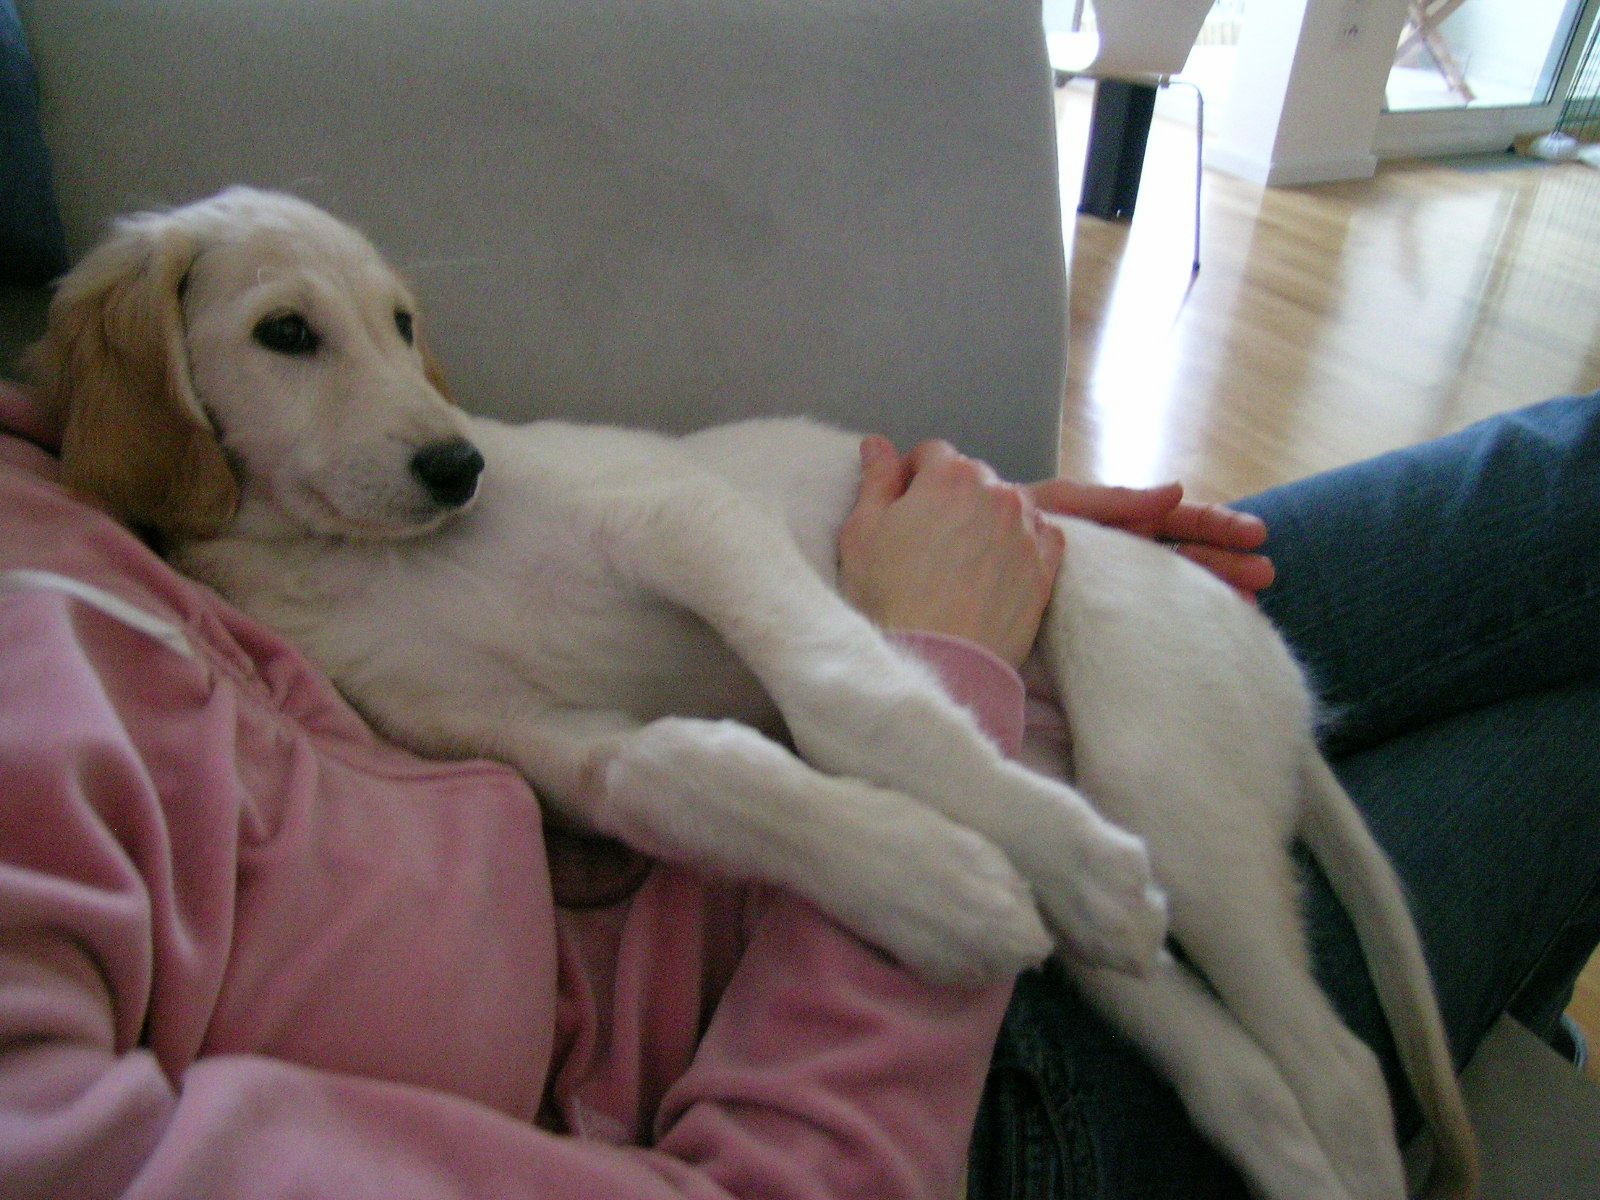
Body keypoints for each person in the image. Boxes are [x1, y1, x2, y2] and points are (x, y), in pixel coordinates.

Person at [1, 370, 1595, 1199]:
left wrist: (897, 534)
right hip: (900, 1043)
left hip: (892, 637)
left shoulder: (63, 469)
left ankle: (1496, 1015)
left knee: (1565, 487)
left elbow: (604, 520)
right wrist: (934, 681)